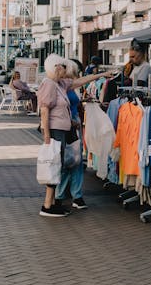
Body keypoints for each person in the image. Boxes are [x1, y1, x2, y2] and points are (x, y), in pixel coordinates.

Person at [37, 53, 115, 218]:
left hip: (62, 130)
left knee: (57, 165)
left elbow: (80, 81)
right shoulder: (50, 84)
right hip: (55, 132)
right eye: (61, 66)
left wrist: (101, 75)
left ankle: (50, 204)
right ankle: (47, 206)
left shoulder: (59, 84)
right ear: (54, 67)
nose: (64, 70)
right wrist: (47, 135)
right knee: (54, 165)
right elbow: (44, 110)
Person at [55, 60, 87, 211]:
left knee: (75, 160)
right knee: (68, 161)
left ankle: (73, 195)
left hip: (73, 124)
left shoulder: (69, 85)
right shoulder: (62, 85)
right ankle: (63, 195)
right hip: (68, 125)